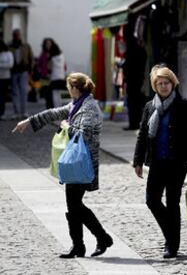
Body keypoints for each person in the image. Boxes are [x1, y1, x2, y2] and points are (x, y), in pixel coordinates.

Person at [13, 72, 113, 259]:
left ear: (75, 88)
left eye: (69, 86)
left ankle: (99, 238)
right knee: (73, 205)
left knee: (74, 204)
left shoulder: (89, 107)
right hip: (74, 162)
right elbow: (54, 112)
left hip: (84, 163)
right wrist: (29, 121)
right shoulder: (76, 104)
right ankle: (82, 245)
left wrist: (66, 126)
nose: (68, 90)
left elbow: (84, 133)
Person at [133, 65, 187, 259]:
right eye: (160, 84)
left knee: (173, 203)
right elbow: (142, 135)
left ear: (173, 84)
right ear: (155, 86)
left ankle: (171, 245)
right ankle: (171, 235)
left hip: (177, 163)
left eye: (167, 83)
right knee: (152, 200)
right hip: (156, 162)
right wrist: (137, 161)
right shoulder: (149, 107)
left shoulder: (185, 106)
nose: (163, 87)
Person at [9, 28, 34, 119]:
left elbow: (31, 58)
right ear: (13, 36)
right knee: (15, 92)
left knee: (23, 91)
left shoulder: (26, 46)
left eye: (18, 34)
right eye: (15, 34)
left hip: (24, 71)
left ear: (20, 35)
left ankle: (24, 112)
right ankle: (16, 112)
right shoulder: (10, 46)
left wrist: (31, 70)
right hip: (13, 71)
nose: (17, 36)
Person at [0, 40, 14, 120]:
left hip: (5, 78)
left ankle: (2, 113)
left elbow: (10, 64)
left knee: (3, 96)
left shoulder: (8, 54)